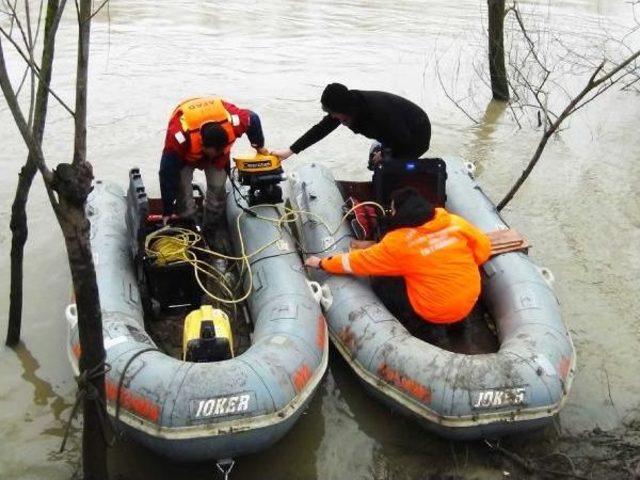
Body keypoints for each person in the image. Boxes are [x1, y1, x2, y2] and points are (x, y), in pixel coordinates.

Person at [305, 187, 491, 340]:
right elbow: (483, 250)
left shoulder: (399, 243)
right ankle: (459, 328)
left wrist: (322, 263)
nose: (390, 213)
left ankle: (420, 327)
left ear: (401, 214)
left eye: (392, 210)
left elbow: (358, 262)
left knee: (381, 279)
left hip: (432, 310)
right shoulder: (454, 222)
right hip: (468, 301)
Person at [159, 96, 267, 237]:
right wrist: (167, 209)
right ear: (202, 144)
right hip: (186, 156)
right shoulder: (178, 136)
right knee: (182, 190)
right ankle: (191, 223)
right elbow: (166, 172)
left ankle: (210, 227)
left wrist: (259, 146)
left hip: (217, 156)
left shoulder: (234, 122)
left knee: (217, 188)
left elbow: (253, 118)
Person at [271, 83, 431, 169]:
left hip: (416, 133)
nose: (332, 117)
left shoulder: (375, 112)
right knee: (376, 160)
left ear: (342, 109)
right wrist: (290, 151)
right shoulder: (346, 108)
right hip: (395, 132)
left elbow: (401, 136)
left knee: (386, 162)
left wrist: (385, 153)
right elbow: (320, 130)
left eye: (333, 113)